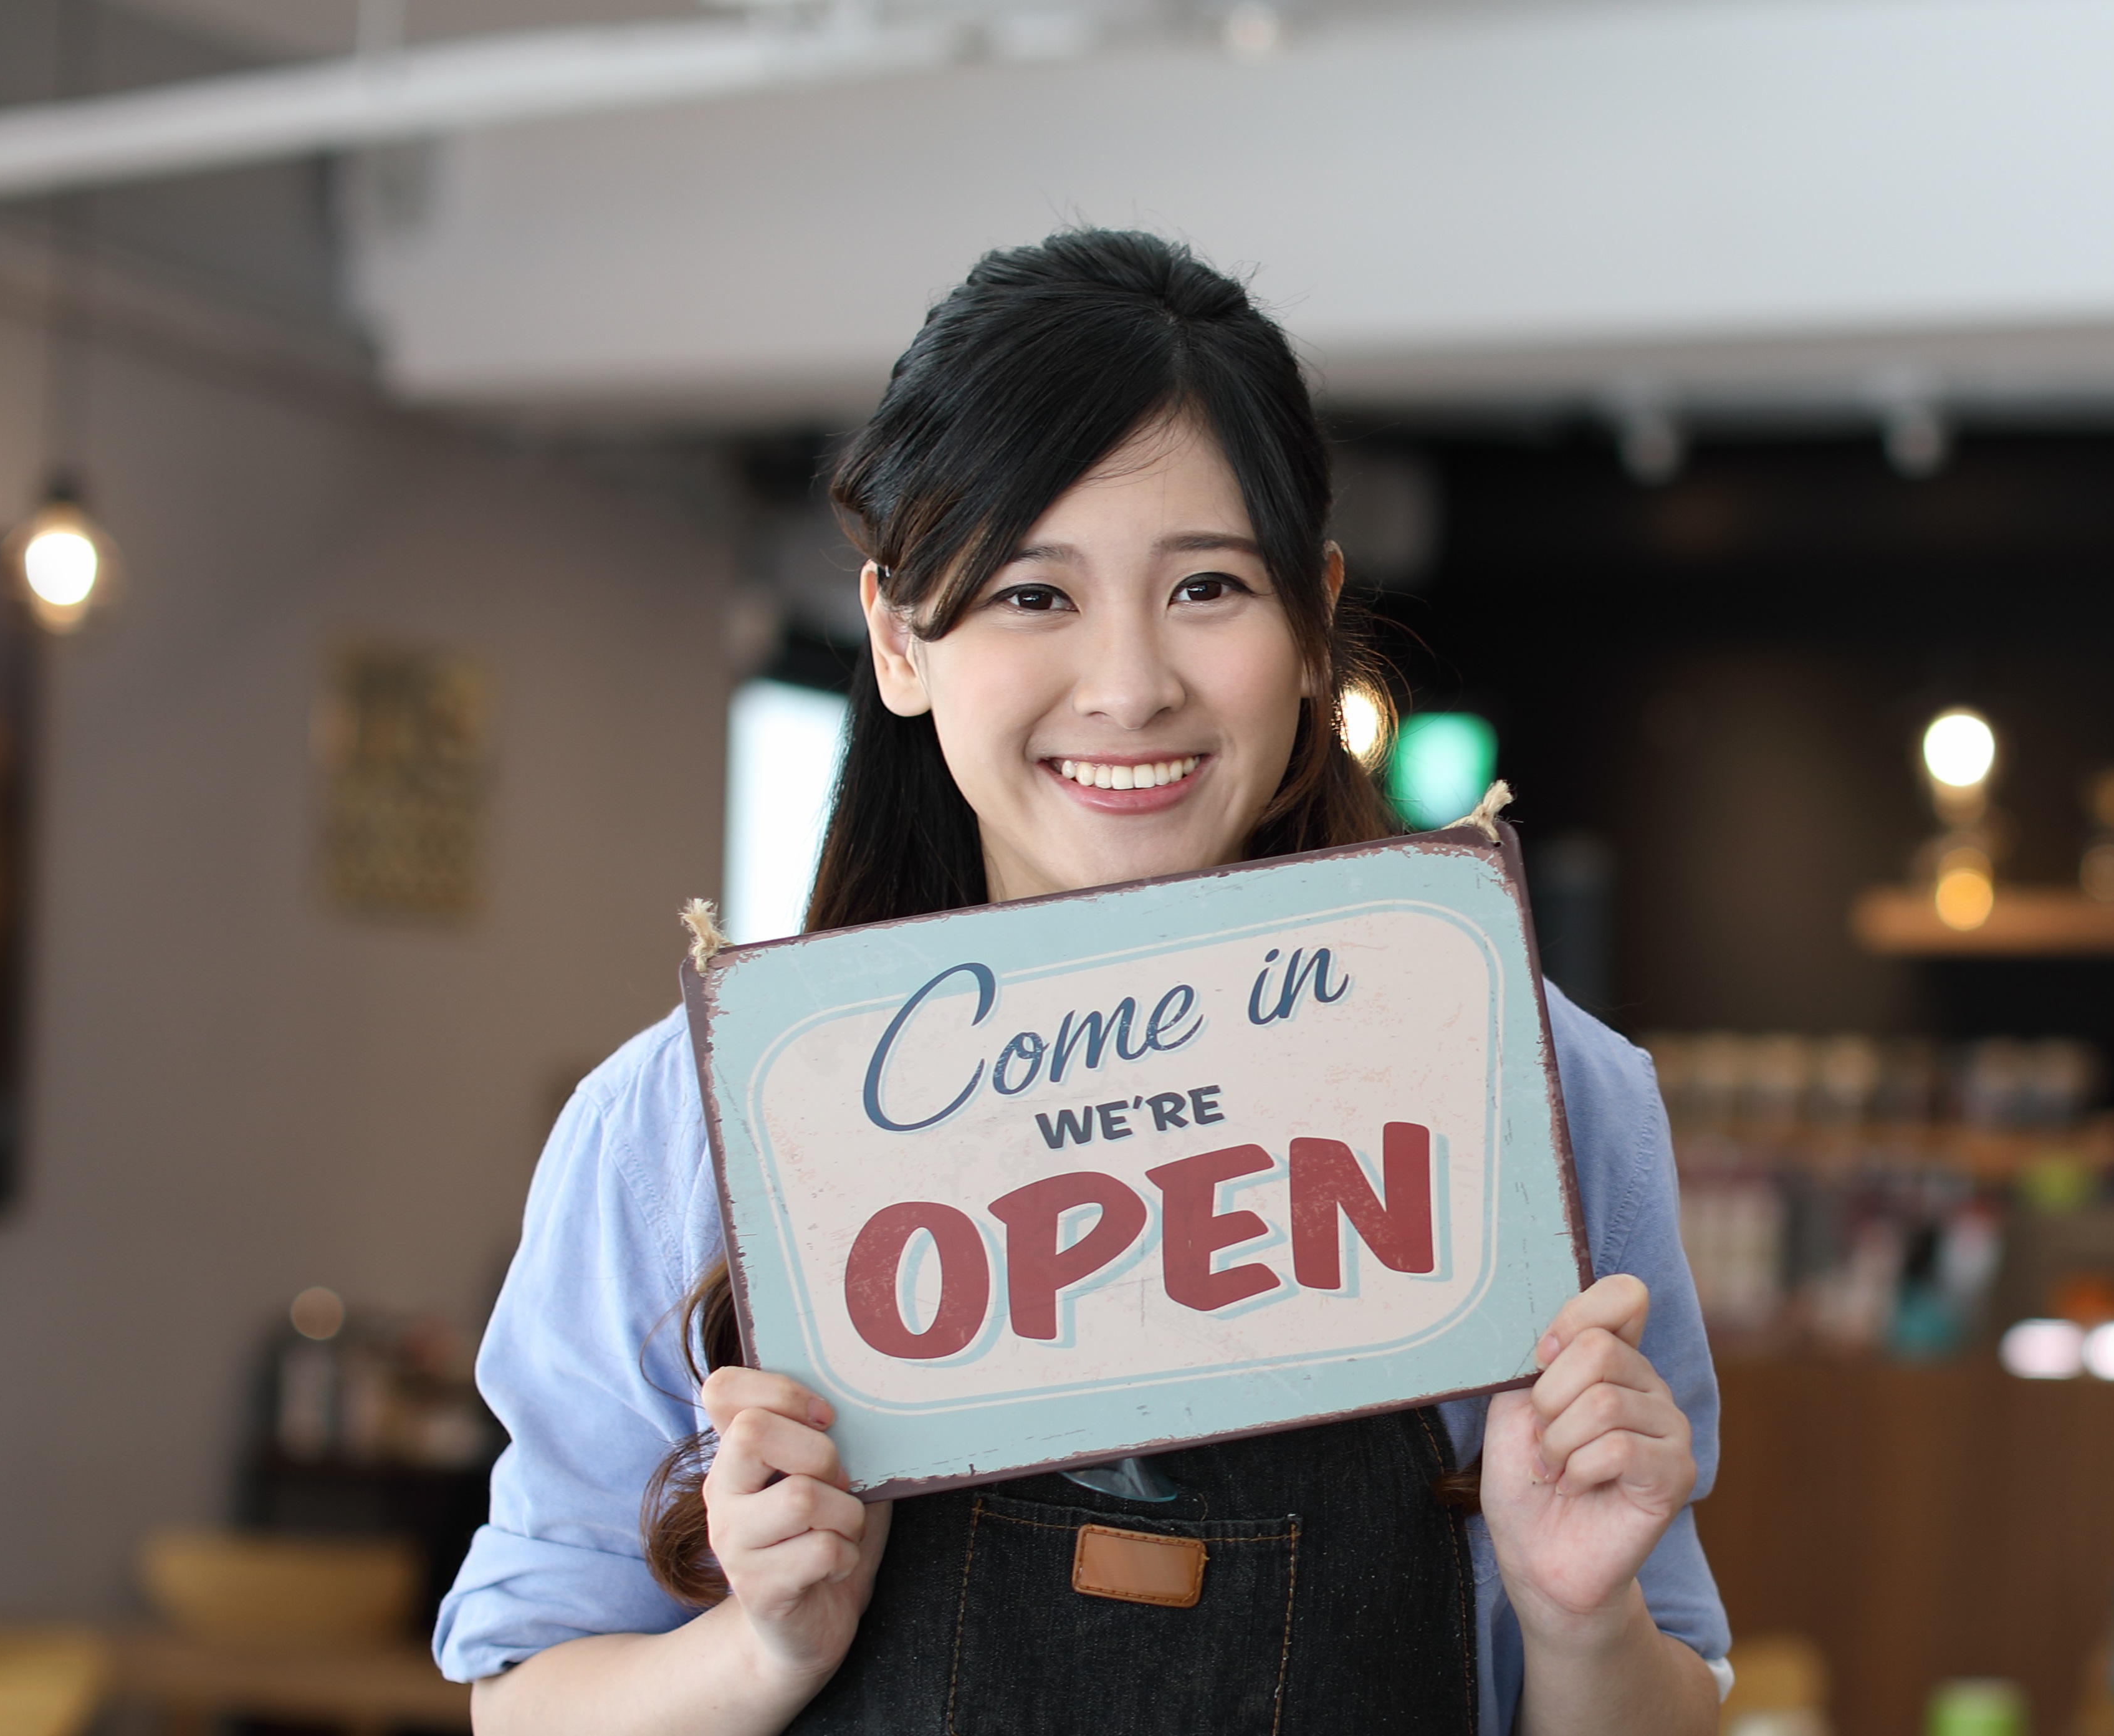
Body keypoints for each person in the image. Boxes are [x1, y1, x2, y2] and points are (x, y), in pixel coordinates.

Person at [430, 229, 1730, 1736]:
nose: (1128, 685)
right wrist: (761, 1647)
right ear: (898, 636)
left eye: (1206, 587)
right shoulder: (683, 1124)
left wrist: (1580, 1617)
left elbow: (1669, 1691)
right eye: (1033, 595)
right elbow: (524, 1700)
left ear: (1312, 621)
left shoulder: (1537, 1086)